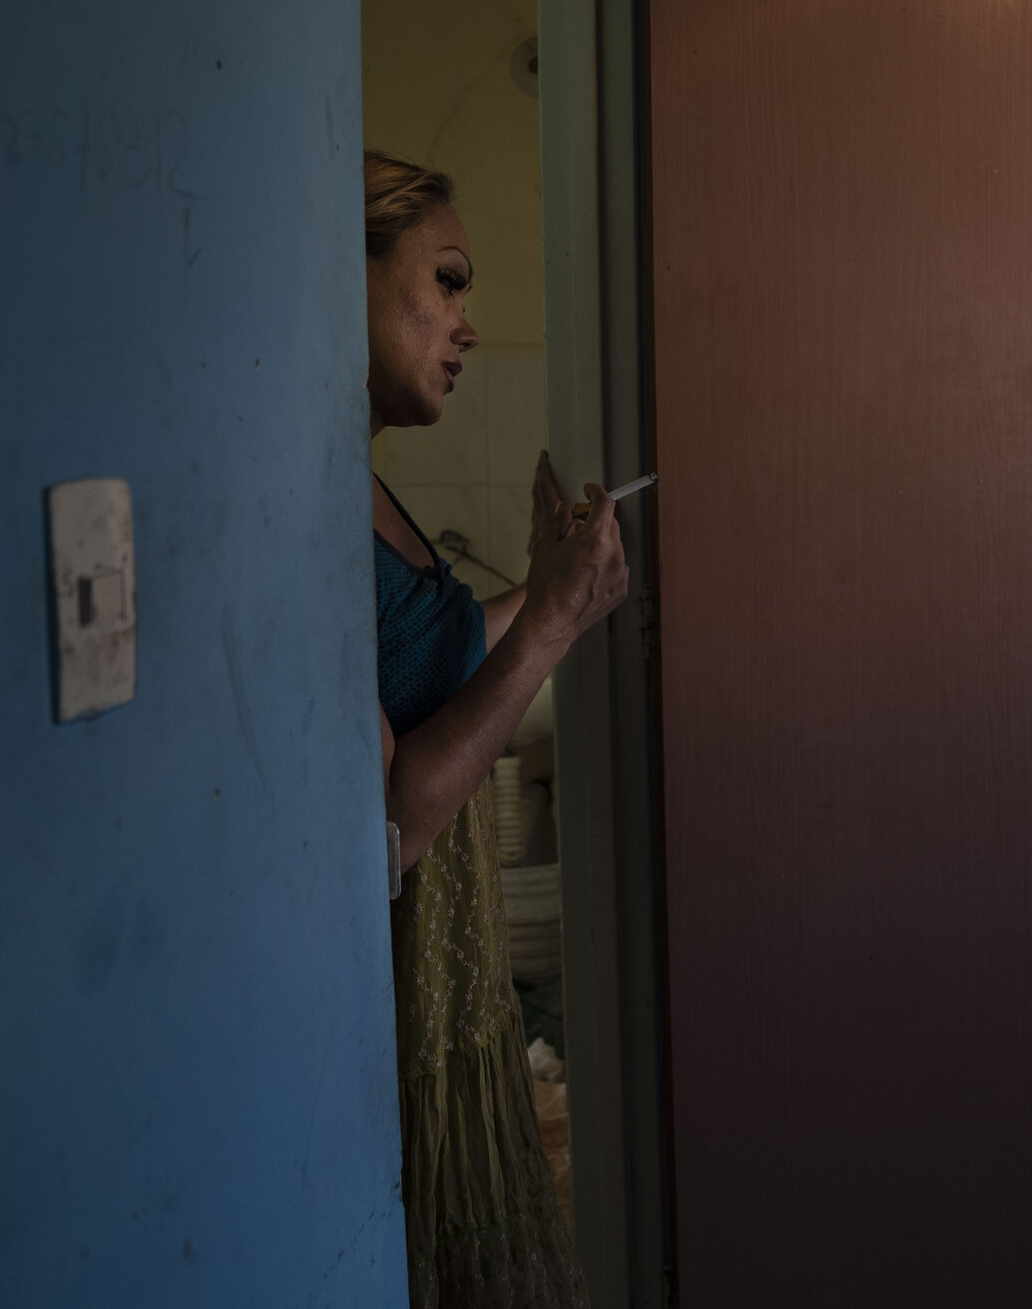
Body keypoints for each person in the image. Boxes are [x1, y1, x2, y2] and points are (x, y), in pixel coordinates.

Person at [363, 148, 628, 1307]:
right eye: (450, 280)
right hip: (409, 1015)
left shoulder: (362, 484)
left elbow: (434, 661)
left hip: (458, 1000)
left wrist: (554, 584)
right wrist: (550, 631)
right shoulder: (298, 505)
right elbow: (384, 823)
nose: (468, 323)